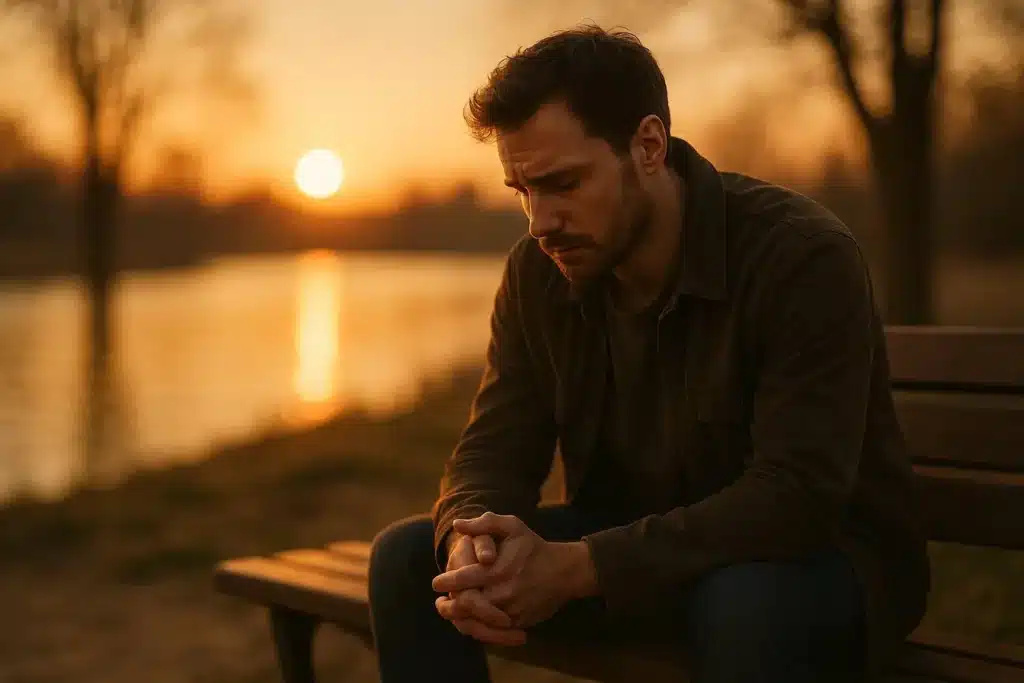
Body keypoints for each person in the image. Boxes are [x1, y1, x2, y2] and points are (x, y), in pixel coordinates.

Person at [367, 24, 929, 683]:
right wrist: (473, 542)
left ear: (649, 146)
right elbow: (494, 446)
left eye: (563, 184)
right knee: (412, 562)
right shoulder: (537, 272)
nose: (540, 222)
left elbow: (797, 496)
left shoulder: (798, 256)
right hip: (629, 550)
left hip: (816, 561)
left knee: (741, 605)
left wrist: (583, 566)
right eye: (523, 191)